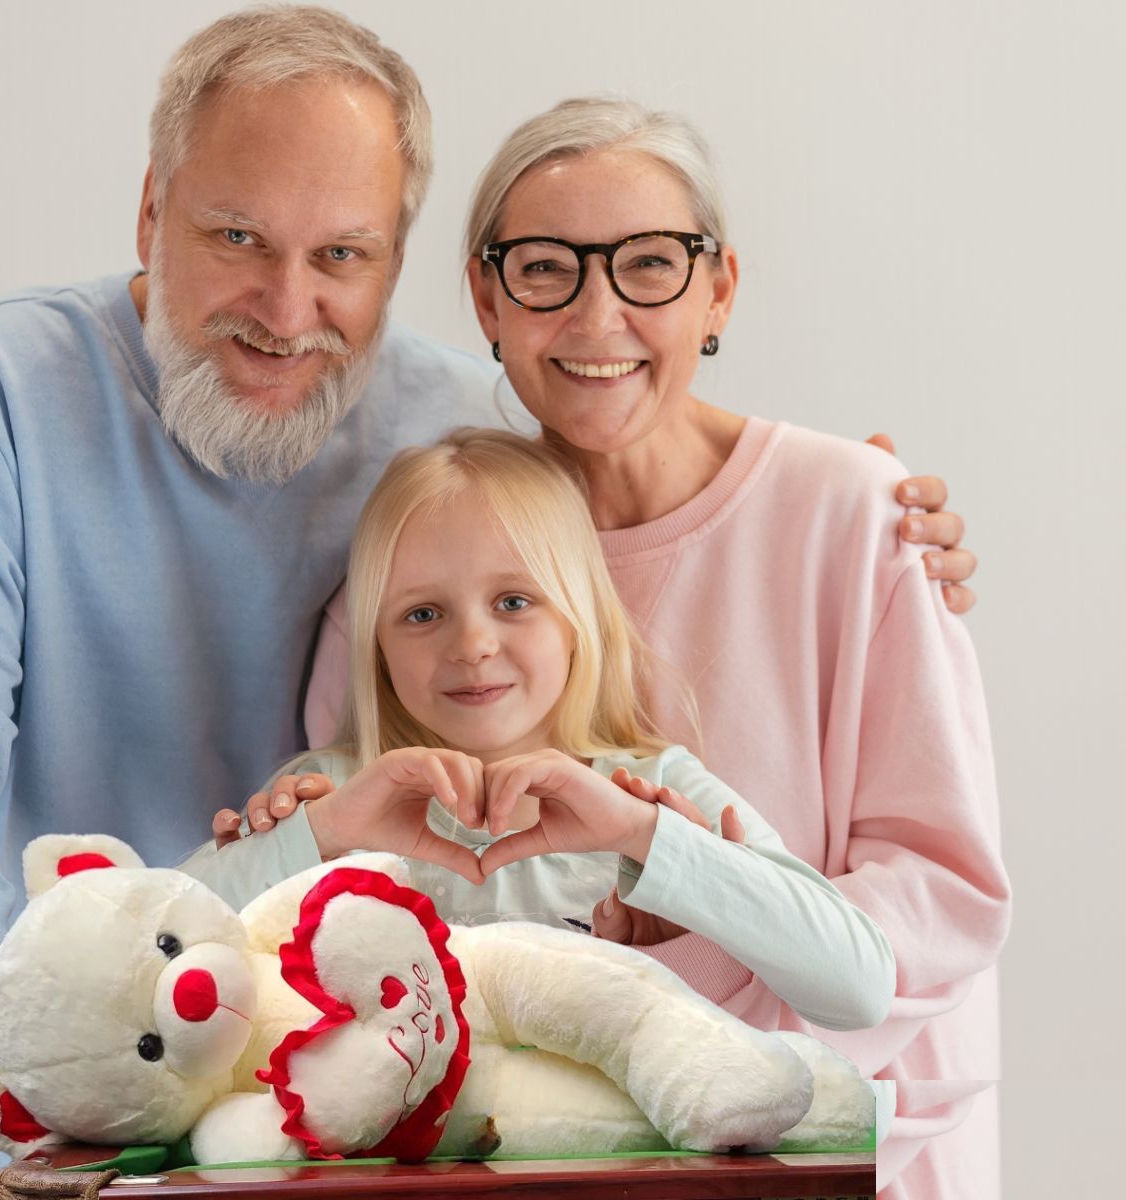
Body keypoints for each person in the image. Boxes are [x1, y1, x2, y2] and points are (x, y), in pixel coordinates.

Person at [0, 8, 973, 1196]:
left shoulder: (461, 442)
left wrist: (859, 502)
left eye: (343, 255)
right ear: (151, 213)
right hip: (102, 1078)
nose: (284, 305)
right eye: (235, 234)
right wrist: (1, 1152)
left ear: (396, 259)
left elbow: (629, 434)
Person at [236, 98, 1008, 1198]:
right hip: (545, 1151)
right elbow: (366, 885)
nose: (599, 317)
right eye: (547, 268)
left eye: (650, 264)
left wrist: (690, 981)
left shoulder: (857, 513)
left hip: (840, 1134)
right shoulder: (426, 550)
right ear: (488, 298)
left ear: (718, 290)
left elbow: (942, 895)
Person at [187, 427, 896, 1037]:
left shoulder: (653, 793)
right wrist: (318, 836)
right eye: (422, 614)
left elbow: (859, 988)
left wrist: (650, 842)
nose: (472, 644)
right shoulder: (334, 794)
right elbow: (150, 957)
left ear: (577, 617)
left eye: (514, 601)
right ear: (376, 645)